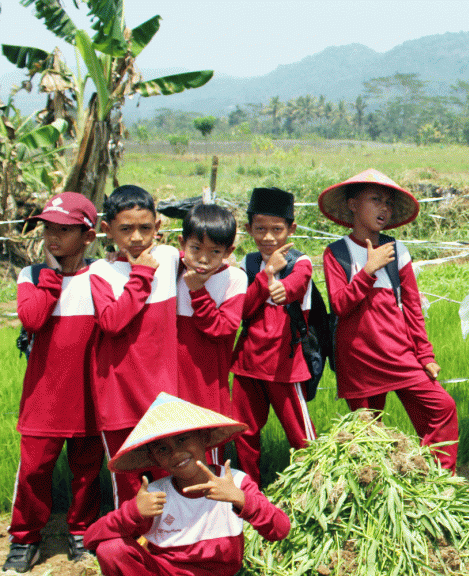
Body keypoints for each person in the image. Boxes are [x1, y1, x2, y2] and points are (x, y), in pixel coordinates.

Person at [318, 168, 458, 471]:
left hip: (398, 352)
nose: (384, 208)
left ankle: (438, 479)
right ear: (353, 204)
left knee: (442, 407)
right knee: (368, 435)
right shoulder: (337, 254)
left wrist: (425, 354)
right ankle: (375, 492)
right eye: (376, 200)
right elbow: (340, 305)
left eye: (388, 203)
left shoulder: (398, 250)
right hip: (358, 358)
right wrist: (368, 270)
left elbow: (412, 308)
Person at [4, 193, 105, 572]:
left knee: (87, 471)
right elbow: (31, 319)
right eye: (48, 229)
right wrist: (52, 277)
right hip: (43, 399)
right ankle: (24, 538)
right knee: (32, 472)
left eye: (64, 230)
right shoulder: (31, 275)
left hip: (90, 396)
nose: (52, 238)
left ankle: (82, 532)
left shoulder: (101, 276)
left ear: (88, 236)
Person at [84, 392, 290, 576]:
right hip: (165, 571)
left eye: (182, 440)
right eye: (162, 449)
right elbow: (91, 539)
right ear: (154, 459)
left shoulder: (234, 482)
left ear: (204, 437)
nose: (175, 453)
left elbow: (280, 529)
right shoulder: (157, 495)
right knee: (110, 549)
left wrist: (241, 499)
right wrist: (132, 513)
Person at [90, 184, 180, 509]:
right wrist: (141, 274)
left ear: (158, 226)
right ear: (107, 230)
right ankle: (130, 545)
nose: (137, 238)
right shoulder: (100, 272)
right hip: (119, 398)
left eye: (145, 228)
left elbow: (205, 261)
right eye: (125, 229)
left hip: (162, 395)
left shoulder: (169, 258)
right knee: (127, 482)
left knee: (168, 472)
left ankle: (166, 546)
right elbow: (112, 323)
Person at [230, 187, 316, 486]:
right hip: (247, 361)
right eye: (260, 229)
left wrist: (281, 286)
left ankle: (317, 487)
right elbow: (243, 309)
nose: (268, 237)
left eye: (277, 229)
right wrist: (266, 277)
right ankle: (248, 492)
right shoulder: (248, 264)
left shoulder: (301, 262)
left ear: (291, 228)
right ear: (249, 228)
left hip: (285, 362)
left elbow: (296, 285)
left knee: (301, 436)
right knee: (244, 431)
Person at [175, 203, 246, 464]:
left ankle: (212, 501)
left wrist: (197, 292)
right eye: (196, 249)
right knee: (171, 445)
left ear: (229, 251)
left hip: (207, 381)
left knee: (208, 445)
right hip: (171, 380)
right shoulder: (173, 269)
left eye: (215, 252)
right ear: (181, 242)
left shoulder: (235, 278)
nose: (203, 259)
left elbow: (223, 328)